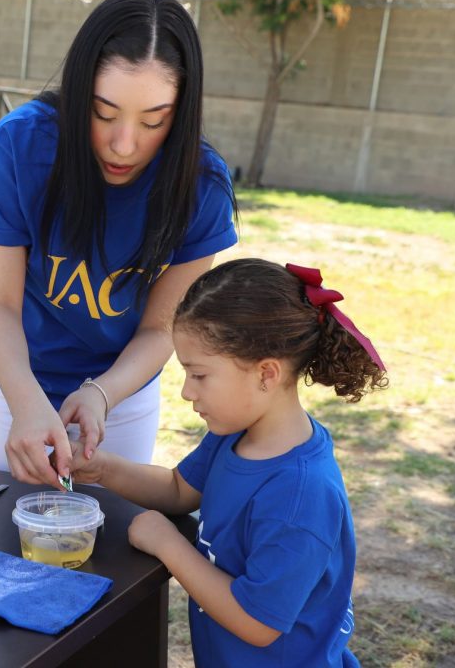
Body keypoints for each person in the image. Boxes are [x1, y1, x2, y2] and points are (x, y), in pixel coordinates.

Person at [0, 0, 237, 490]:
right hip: (14, 375)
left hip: (122, 390)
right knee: (4, 523)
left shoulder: (201, 185)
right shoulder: (19, 146)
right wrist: (26, 403)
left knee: (105, 530)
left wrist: (101, 395)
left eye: (153, 121)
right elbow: (0, 305)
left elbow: (160, 328)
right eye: (103, 113)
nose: (124, 145)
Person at [67, 258, 388, 667]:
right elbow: (178, 490)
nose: (186, 392)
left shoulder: (300, 494)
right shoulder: (234, 434)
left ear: (266, 374)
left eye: (199, 375)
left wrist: (169, 545)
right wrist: (103, 468)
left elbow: (257, 623)